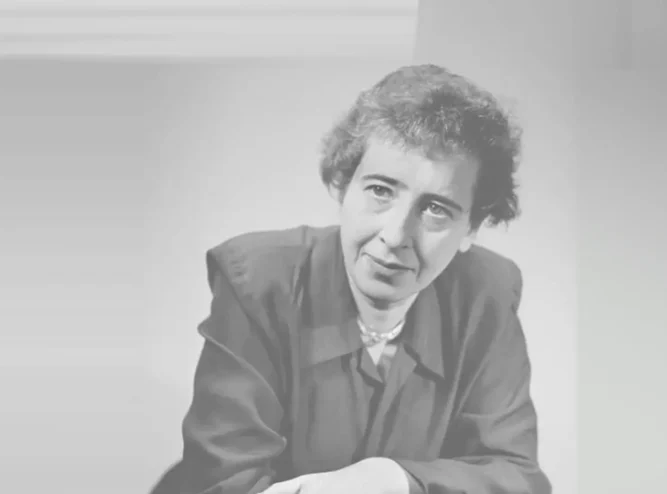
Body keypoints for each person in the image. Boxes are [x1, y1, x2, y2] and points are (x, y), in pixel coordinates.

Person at [149, 64, 551, 494]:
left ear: (472, 227)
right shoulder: (258, 281)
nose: (395, 235)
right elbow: (227, 481)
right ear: (343, 185)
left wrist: (395, 481)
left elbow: (517, 478)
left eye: (436, 209)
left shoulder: (486, 295)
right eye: (380, 190)